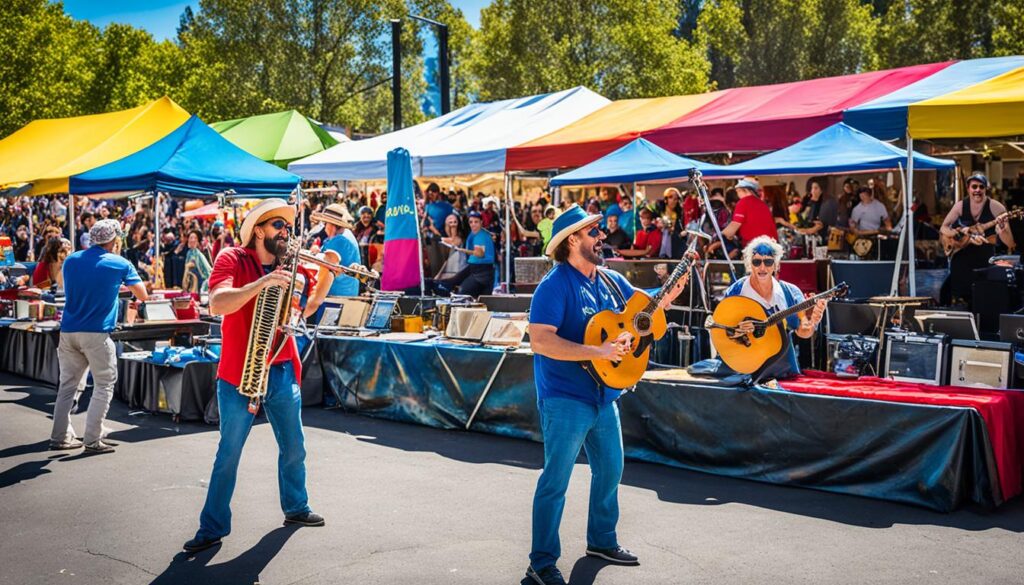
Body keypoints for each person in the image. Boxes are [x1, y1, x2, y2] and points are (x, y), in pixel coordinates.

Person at [525, 204, 689, 585]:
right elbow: (540, 340)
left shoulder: (611, 280)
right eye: (592, 232)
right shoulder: (554, 285)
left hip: (604, 396)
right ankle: (541, 562)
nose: (601, 236)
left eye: (599, 230)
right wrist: (596, 352)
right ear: (571, 241)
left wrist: (667, 296)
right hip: (565, 396)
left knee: (611, 470)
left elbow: (641, 311)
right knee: (556, 481)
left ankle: (601, 540)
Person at [184, 198, 323, 554]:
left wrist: (327, 276)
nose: (285, 232)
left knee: (295, 446)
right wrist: (263, 284)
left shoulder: (291, 266)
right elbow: (217, 303)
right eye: (278, 225)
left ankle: (296, 507)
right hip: (237, 372)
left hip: (279, 368)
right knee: (229, 452)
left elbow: (303, 310)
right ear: (258, 230)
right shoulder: (232, 258)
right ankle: (212, 527)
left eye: (288, 227)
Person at [50, 220, 148, 453]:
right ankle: (92, 438)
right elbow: (142, 294)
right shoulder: (120, 263)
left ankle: (59, 437)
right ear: (114, 241)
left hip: (68, 331)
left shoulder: (72, 259)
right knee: (104, 384)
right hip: (96, 332)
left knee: (67, 386)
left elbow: (64, 285)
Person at [722, 236, 826, 379]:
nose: (762, 267)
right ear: (749, 264)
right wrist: (736, 331)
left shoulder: (790, 292)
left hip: (780, 370)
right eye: (757, 262)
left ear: (776, 265)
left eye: (768, 262)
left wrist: (813, 322)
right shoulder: (736, 291)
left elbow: (803, 332)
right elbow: (722, 330)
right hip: (741, 368)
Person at [939, 172, 1015, 305]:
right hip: (961, 263)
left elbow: (1010, 243)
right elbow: (943, 228)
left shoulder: (997, 208)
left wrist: (1002, 232)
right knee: (960, 302)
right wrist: (959, 233)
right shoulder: (960, 206)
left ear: (986, 189)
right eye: (974, 187)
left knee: (983, 302)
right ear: (968, 189)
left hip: (984, 263)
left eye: (981, 187)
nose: (977, 190)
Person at [307, 204, 362, 319]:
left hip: (336, 298)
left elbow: (322, 265)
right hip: (344, 296)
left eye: (325, 223)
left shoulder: (339, 240)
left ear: (331, 225)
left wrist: (314, 254)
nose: (324, 227)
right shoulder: (344, 236)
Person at [435, 211, 495, 297]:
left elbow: (480, 254)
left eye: (476, 222)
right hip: (473, 268)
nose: (473, 224)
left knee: (462, 293)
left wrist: (463, 250)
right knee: (452, 283)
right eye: (471, 222)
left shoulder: (480, 236)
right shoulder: (473, 233)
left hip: (482, 271)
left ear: (481, 222)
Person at [720, 178, 776, 247]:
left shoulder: (743, 202)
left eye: (738, 191)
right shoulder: (762, 203)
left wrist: (719, 235)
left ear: (745, 190)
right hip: (771, 245)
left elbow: (733, 227)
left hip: (755, 247)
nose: (737, 194)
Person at [435, 213, 469, 280]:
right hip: (452, 268)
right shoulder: (448, 236)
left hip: (460, 268)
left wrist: (441, 239)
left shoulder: (459, 236)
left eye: (454, 221)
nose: (452, 222)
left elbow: (455, 241)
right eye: (450, 220)